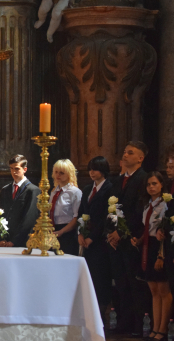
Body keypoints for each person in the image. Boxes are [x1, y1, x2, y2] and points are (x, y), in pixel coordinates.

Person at [108, 141, 149, 336]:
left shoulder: (143, 179)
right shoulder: (118, 180)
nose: (125, 155)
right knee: (121, 284)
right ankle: (123, 323)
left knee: (134, 284)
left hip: (131, 238)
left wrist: (122, 232)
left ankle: (137, 325)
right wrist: (111, 232)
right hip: (116, 240)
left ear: (140, 158)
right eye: (124, 152)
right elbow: (112, 208)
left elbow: (138, 211)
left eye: (130, 153)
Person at [131, 172, 171, 341]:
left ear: (162, 185)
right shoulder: (148, 205)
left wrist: (161, 254)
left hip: (160, 247)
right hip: (148, 246)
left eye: (154, 183)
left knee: (163, 289)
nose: (151, 187)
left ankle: (163, 329)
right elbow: (148, 228)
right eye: (149, 184)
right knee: (153, 290)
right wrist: (139, 240)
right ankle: (154, 327)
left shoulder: (167, 205)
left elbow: (165, 229)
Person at [77, 156, 113, 316]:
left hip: (100, 240)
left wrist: (92, 237)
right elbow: (82, 213)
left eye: (95, 169)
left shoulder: (109, 188)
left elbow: (105, 217)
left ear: (103, 170)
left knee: (101, 275)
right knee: (89, 273)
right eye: (90, 169)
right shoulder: (87, 189)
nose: (91, 172)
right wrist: (80, 233)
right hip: (86, 238)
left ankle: (102, 307)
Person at [0, 155, 41, 248]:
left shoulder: (33, 190)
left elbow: (29, 219)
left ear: (25, 169)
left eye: (17, 169)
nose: (13, 172)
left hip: (23, 241)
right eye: (11, 168)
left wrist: (15, 241)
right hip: (6, 240)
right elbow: (0, 215)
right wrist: (1, 238)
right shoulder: (5, 190)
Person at [49, 159, 82, 255]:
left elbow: (77, 217)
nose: (58, 175)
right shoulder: (54, 191)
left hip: (67, 233)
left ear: (69, 174)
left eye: (61, 173)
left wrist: (62, 231)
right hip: (53, 231)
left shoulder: (75, 192)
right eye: (56, 172)